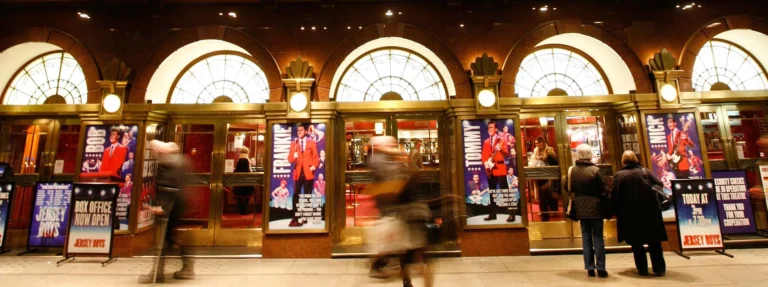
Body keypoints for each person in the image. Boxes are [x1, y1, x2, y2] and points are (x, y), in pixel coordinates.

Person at [139, 140, 193, 284]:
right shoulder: (181, 161)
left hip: (171, 205)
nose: (155, 153)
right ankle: (187, 268)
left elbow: (168, 187)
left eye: (155, 150)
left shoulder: (167, 163)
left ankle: (158, 273)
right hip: (178, 203)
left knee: (164, 238)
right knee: (170, 237)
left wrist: (161, 206)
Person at [611, 150, 667, 277]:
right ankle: (659, 268)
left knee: (636, 243)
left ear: (623, 161)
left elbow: (615, 195)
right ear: (636, 159)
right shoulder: (645, 171)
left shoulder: (619, 175)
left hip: (630, 214)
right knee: (654, 241)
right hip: (650, 212)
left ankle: (642, 269)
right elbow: (659, 185)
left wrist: (614, 211)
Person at [567, 144, 609, 278]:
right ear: (590, 154)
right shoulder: (596, 170)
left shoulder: (572, 170)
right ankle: (601, 268)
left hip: (581, 207)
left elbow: (568, 187)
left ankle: (590, 267)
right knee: (598, 237)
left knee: (585, 237)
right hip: (596, 207)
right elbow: (603, 189)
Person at [287, 125, 320, 227]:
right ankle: (295, 217)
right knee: (296, 195)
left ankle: (305, 216)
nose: (299, 132)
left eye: (301, 130)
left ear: (305, 131)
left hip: (308, 173)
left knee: (307, 195)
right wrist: (294, 157)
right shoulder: (294, 143)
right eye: (298, 130)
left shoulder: (311, 142)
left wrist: (314, 166)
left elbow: (316, 157)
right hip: (297, 173)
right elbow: (289, 159)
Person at [481, 121, 509, 221]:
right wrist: (486, 165)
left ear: (496, 129)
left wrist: (501, 149)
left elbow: (506, 153)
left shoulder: (501, 140)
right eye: (488, 127)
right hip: (490, 170)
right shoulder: (486, 142)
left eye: (491, 127)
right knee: (492, 193)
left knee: (505, 192)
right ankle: (492, 214)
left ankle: (511, 214)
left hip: (500, 169)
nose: (489, 129)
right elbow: (484, 156)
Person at [530, 137, 559, 221]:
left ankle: (553, 210)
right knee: (542, 193)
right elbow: (533, 159)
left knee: (550, 192)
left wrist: (541, 158)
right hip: (540, 174)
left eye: (538, 143)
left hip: (549, 174)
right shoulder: (536, 150)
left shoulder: (550, 150)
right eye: (536, 143)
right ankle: (543, 210)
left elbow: (554, 162)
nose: (537, 145)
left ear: (542, 142)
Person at [233, 147, 255, 215]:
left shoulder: (239, 160)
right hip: (246, 181)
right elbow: (249, 170)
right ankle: (245, 210)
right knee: (246, 197)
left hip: (239, 181)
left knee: (239, 197)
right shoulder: (246, 160)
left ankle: (240, 210)